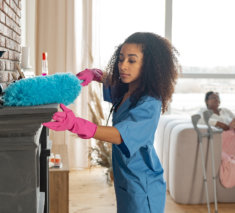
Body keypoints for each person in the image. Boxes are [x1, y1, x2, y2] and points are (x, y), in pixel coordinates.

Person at [43, 32, 180, 213]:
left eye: (132, 61)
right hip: (127, 179)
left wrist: (77, 124)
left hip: (142, 184)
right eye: (121, 59)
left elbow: (120, 136)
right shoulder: (128, 90)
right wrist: (95, 74)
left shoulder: (149, 102)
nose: (123, 66)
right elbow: (112, 82)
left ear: (149, 65)